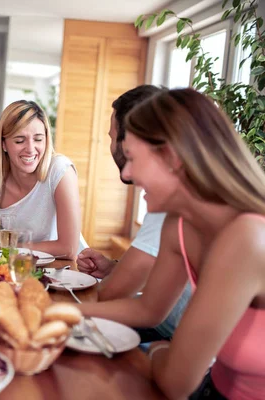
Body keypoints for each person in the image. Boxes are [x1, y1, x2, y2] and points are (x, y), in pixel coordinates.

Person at [77, 88, 265, 399]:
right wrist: (68, 314)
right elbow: (148, 309)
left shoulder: (247, 237)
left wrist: (158, 351)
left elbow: (177, 383)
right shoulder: (177, 225)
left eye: (133, 158)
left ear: (171, 159)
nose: (126, 172)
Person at [76, 85, 191, 343]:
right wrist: (113, 268)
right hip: (165, 329)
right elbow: (150, 308)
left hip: (172, 339)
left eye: (130, 153)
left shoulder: (174, 208)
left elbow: (113, 295)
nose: (127, 172)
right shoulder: (175, 211)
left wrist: (62, 310)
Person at [0, 100, 86, 257]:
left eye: (38, 139)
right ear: (3, 144)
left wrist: (9, 248)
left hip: (68, 272)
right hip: (18, 269)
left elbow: (68, 249)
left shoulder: (60, 171)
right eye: (19, 140)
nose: (30, 149)